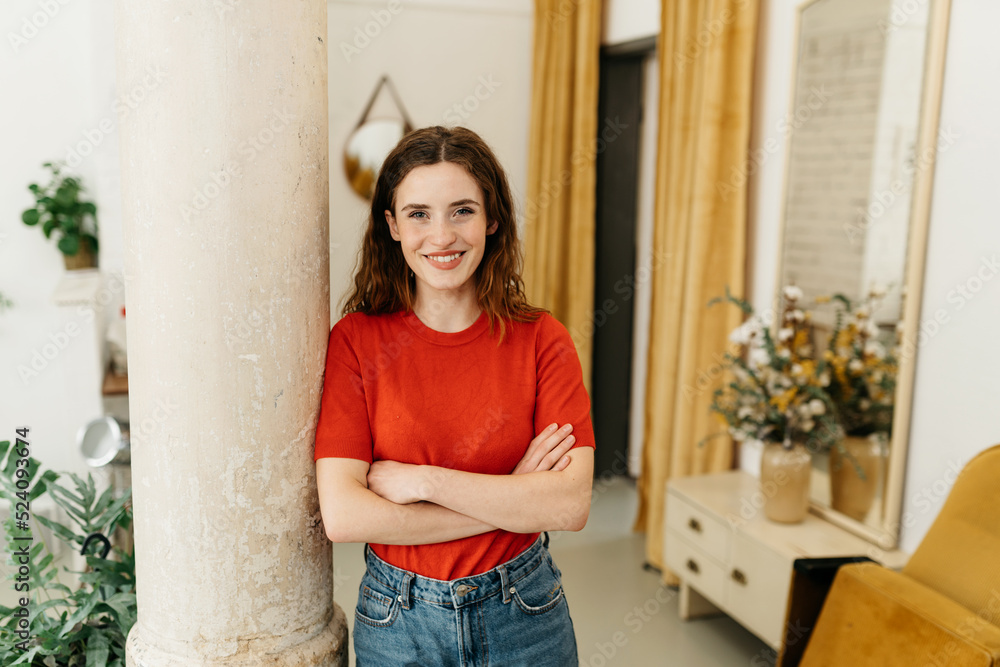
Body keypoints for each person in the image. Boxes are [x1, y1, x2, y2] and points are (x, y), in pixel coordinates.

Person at [314, 125, 595, 666]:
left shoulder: (542, 340)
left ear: (492, 219)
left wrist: (426, 482)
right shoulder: (356, 341)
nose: (441, 235)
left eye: (461, 210)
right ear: (392, 226)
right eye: (419, 214)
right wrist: (512, 496)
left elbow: (569, 503)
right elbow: (346, 516)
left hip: (525, 614)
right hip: (398, 621)